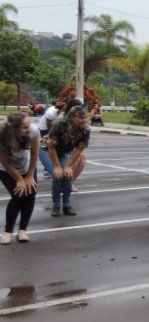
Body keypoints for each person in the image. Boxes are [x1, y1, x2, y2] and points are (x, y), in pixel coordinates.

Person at [0, 113, 39, 244]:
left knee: (30, 193)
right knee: (18, 194)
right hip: (6, 169)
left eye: (28, 125)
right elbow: (5, 163)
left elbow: (34, 155)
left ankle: (23, 230)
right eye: (24, 127)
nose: (29, 129)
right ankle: (8, 232)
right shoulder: (2, 135)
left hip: (27, 166)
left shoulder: (33, 131)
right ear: (13, 129)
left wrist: (29, 176)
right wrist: (19, 180)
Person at [45, 105, 90, 217]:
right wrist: (57, 166)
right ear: (72, 117)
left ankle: (67, 206)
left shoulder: (86, 129)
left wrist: (69, 166)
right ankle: (56, 207)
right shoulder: (60, 125)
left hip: (64, 151)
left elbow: (79, 148)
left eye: (86, 117)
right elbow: (51, 146)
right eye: (81, 117)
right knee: (58, 175)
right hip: (47, 150)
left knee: (67, 174)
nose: (84, 120)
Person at [37, 100, 64, 178]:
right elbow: (50, 129)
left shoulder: (64, 113)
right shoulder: (51, 113)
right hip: (45, 128)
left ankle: (56, 166)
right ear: (59, 111)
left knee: (56, 147)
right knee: (48, 147)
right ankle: (47, 170)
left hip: (55, 126)